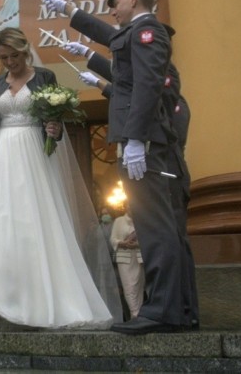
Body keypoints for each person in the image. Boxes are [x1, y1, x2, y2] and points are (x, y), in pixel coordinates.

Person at [44, 0, 186, 334]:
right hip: (142, 140)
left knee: (155, 228)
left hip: (146, 142)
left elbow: (149, 85)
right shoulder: (136, 34)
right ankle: (169, 309)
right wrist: (71, 12)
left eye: (116, 3)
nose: (113, 10)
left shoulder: (148, 33)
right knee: (154, 225)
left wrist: (136, 138)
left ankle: (163, 310)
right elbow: (116, 42)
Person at [0, 27, 121, 329]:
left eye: (15, 56)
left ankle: (42, 302)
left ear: (25, 51)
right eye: (4, 57)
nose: (10, 62)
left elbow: (55, 121)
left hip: (33, 154)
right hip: (0, 157)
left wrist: (54, 129)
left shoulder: (44, 78)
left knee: (33, 223)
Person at [66, 28, 199, 329]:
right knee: (169, 242)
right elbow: (132, 90)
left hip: (168, 174)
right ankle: (181, 311)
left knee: (171, 243)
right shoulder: (156, 81)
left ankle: (180, 310)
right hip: (166, 173)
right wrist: (98, 76)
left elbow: (147, 102)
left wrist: (96, 66)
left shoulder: (166, 80)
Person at [110, 208, 144, 319]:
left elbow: (148, 239)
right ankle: (135, 313)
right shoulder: (119, 221)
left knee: (138, 286)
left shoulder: (142, 220)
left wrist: (137, 245)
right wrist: (122, 243)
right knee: (129, 286)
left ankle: (138, 315)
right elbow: (112, 239)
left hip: (138, 257)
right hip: (124, 258)